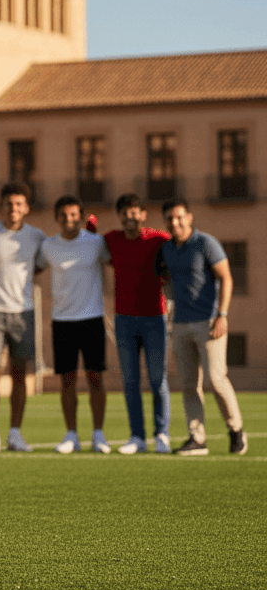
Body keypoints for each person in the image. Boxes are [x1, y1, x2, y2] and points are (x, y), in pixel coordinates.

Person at [158, 200, 247, 455]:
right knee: (188, 384)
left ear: (189, 217)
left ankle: (236, 430)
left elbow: (226, 277)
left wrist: (223, 315)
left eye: (178, 217)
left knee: (215, 380)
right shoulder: (167, 249)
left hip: (209, 323)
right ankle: (197, 438)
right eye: (169, 219)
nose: (174, 223)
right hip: (181, 324)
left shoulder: (206, 243)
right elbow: (166, 279)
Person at [0, 183, 47, 453]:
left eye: (18, 204)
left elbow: (40, 264)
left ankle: (15, 433)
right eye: (8, 204)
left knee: (19, 376)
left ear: (26, 208)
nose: (13, 208)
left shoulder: (37, 236)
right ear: (1, 207)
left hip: (23, 314)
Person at [37, 196, 112, 454]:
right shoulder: (48, 246)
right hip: (62, 322)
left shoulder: (96, 242)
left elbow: (113, 263)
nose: (69, 220)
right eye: (64, 216)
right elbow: (33, 268)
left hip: (92, 319)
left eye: (74, 215)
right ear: (56, 218)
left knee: (95, 379)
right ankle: (71, 435)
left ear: (80, 217)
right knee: (66, 381)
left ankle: (98, 435)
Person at [102, 193, 171, 454]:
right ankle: (137, 437)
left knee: (158, 380)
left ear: (143, 215)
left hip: (155, 318)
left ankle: (162, 435)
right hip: (124, 321)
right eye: (125, 213)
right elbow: (96, 245)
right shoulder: (112, 240)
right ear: (120, 216)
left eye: (135, 212)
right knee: (130, 381)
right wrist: (90, 224)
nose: (130, 217)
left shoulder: (158, 240)